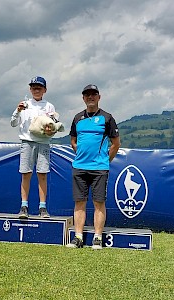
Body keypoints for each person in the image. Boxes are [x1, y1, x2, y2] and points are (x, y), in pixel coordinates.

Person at [66, 84, 120, 250]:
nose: (90, 97)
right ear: (83, 98)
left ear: (99, 97)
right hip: (79, 167)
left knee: (99, 202)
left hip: (99, 168)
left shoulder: (107, 118)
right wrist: (81, 153)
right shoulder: (77, 118)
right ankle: (78, 237)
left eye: (93, 94)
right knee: (79, 203)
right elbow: (73, 141)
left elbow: (116, 144)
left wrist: (105, 160)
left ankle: (97, 237)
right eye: (87, 95)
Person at [10, 76, 56, 219]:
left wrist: (51, 129)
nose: (36, 90)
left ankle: (42, 208)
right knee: (26, 174)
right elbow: (13, 123)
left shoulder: (49, 106)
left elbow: (54, 126)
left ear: (45, 90)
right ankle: (24, 206)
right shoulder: (24, 104)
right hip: (27, 142)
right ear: (30, 89)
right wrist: (17, 110)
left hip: (43, 142)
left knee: (42, 174)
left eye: (39, 87)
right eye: (34, 87)